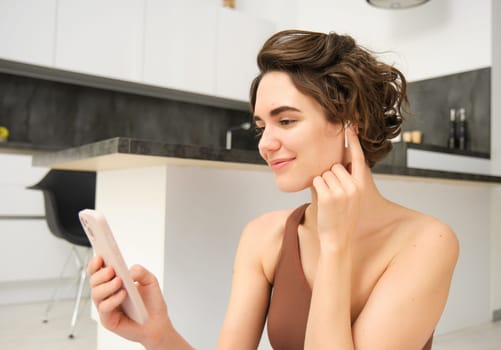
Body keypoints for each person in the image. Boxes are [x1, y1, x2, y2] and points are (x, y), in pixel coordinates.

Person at [87, 29, 459, 350]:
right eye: (262, 126)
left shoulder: (427, 242)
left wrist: (335, 246)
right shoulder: (264, 237)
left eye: (285, 120)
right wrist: (157, 333)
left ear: (352, 122)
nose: (265, 143)